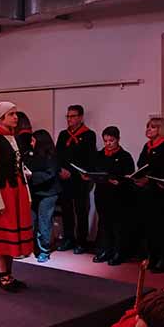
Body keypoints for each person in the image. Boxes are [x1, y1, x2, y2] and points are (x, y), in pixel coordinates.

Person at [0, 101, 33, 292]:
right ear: (1, 118)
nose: (15, 117)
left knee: (11, 235)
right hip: (3, 192)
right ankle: (4, 277)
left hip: (16, 191)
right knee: (1, 236)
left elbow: (18, 167)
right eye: (11, 114)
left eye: (15, 113)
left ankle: (9, 275)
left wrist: (26, 191)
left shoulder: (13, 139)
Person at [134, 117, 164, 273]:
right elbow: (141, 164)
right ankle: (152, 257)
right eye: (147, 126)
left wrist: (149, 178)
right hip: (147, 192)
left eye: (152, 127)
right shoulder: (147, 146)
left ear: (161, 129)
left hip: (160, 192)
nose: (148, 129)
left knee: (162, 227)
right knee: (149, 227)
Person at [88, 126, 135, 266]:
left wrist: (119, 181)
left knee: (118, 225)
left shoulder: (124, 156)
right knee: (104, 223)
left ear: (118, 139)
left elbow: (129, 175)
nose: (108, 144)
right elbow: (94, 170)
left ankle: (118, 252)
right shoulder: (99, 155)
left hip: (118, 195)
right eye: (106, 141)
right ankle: (105, 250)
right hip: (102, 193)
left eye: (111, 141)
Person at [56, 105, 97, 254]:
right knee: (66, 210)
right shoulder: (63, 135)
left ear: (80, 117)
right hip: (64, 178)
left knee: (81, 210)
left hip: (80, 179)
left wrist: (74, 173)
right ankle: (68, 238)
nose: (69, 119)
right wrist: (60, 170)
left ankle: (82, 241)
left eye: (73, 116)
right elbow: (58, 155)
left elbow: (89, 158)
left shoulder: (89, 135)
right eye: (68, 116)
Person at [27, 130, 60, 263]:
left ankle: (44, 251)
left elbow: (49, 174)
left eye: (33, 140)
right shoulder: (32, 154)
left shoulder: (52, 156)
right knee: (33, 221)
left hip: (49, 193)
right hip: (35, 192)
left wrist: (31, 175)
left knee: (44, 222)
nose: (31, 143)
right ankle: (34, 247)